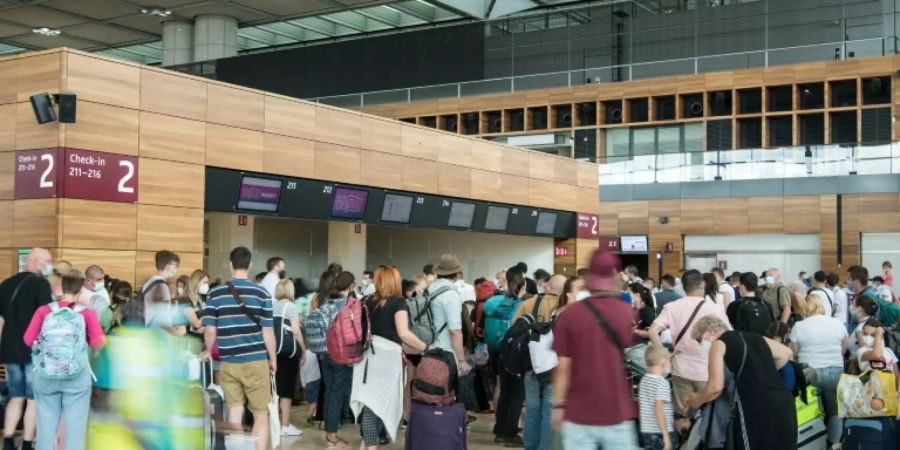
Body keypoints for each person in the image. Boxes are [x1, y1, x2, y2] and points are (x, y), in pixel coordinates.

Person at [552, 250, 638, 449]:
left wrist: (558, 405)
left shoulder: (570, 314)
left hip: (578, 411)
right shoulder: (626, 312)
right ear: (615, 277)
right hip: (616, 410)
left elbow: (563, 367)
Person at [200, 247, 276, 450]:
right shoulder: (262, 293)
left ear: (230, 264)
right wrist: (273, 360)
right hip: (256, 361)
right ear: (250, 265)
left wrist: (208, 349)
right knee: (261, 413)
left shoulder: (215, 293)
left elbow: (209, 329)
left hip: (228, 362)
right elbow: (268, 332)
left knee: (234, 411)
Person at [683, 315, 796, 450]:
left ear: (710, 332)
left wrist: (695, 400)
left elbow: (715, 388)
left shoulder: (718, 343)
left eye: (699, 339)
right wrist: (763, 372)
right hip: (784, 401)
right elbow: (786, 353)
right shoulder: (754, 337)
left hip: (756, 408)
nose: (701, 344)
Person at [24, 269, 105, 450]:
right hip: (76, 377)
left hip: (46, 375)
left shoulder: (43, 311)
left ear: (60, 286)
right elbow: (98, 342)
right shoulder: (86, 313)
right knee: (75, 433)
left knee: (45, 432)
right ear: (81, 290)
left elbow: (28, 339)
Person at [352, 266, 427, 450]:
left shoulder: (366, 300)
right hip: (386, 359)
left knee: (372, 403)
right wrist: (426, 347)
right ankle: (371, 446)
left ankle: (366, 445)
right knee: (376, 404)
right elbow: (404, 333)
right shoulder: (399, 302)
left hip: (366, 357)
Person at [648, 269, 730, 429]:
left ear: (684, 287)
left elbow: (652, 331)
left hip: (680, 369)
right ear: (703, 285)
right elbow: (729, 335)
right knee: (709, 419)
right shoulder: (716, 309)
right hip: (709, 371)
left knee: (682, 416)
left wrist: (665, 354)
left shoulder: (671, 307)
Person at [0, 248, 54, 450]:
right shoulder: (41, 284)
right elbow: (47, 318)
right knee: (33, 399)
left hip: (9, 349)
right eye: (47, 261)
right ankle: (27, 443)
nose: (50, 265)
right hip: (33, 349)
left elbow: (1, 319)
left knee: (16, 395)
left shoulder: (5, 284)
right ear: (36, 261)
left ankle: (7, 441)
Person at [514, 274, 565, 450]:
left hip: (532, 363)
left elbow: (514, 329)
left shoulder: (528, 304)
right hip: (556, 365)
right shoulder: (565, 308)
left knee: (532, 410)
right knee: (549, 411)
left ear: (547, 286)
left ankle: (530, 446)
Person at [789, 293, 847, 445]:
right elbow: (844, 348)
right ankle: (834, 443)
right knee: (835, 411)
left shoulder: (799, 326)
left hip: (809, 372)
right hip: (835, 370)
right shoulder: (837, 323)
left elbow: (793, 352)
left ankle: (815, 441)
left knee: (812, 410)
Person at [313, 271, 356, 449]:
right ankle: (332, 438)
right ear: (351, 286)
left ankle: (332, 433)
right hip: (341, 355)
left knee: (330, 392)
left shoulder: (326, 303)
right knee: (337, 394)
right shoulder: (349, 305)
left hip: (325, 354)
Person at [484, 269, 525, 445]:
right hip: (515, 351)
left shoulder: (492, 302)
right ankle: (510, 432)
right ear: (521, 286)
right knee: (517, 393)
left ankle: (500, 429)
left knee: (504, 390)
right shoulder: (522, 305)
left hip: (497, 349)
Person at [270, 279, 304, 437]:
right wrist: (303, 350)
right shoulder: (290, 307)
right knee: (286, 390)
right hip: (287, 353)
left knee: (275, 388)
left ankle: (274, 423)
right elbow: (296, 332)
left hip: (272, 351)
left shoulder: (272, 305)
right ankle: (285, 425)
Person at [638, 344, 676, 450]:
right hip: (660, 432)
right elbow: (659, 409)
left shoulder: (644, 380)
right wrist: (666, 436)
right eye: (669, 360)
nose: (670, 363)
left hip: (647, 431)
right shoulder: (662, 383)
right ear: (663, 362)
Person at [142, 250, 180, 327]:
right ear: (168, 266)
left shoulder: (149, 282)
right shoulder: (162, 285)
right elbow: (164, 319)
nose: (177, 269)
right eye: (176, 265)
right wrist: (177, 333)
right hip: (158, 333)